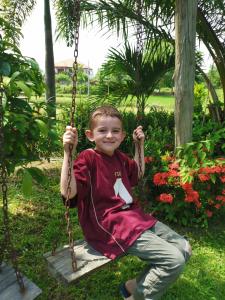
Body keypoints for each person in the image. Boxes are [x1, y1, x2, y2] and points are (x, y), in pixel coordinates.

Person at [60, 105, 192, 300]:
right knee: (173, 261)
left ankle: (132, 286)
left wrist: (139, 145)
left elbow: (137, 174)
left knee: (184, 248)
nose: (109, 136)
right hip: (111, 225)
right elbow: (68, 193)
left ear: (122, 136)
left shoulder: (120, 158)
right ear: (90, 135)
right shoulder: (88, 158)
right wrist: (68, 154)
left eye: (115, 131)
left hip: (134, 219)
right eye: (102, 130)